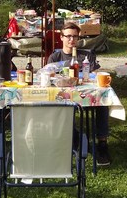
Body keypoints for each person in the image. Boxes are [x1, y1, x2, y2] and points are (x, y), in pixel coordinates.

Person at [47, 22, 112, 166]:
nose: (72, 39)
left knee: (102, 101)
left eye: (75, 36)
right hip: (63, 98)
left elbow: (95, 74)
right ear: (61, 37)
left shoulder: (86, 56)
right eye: (68, 36)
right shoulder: (55, 58)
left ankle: (102, 143)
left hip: (85, 96)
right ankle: (75, 138)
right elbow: (48, 78)